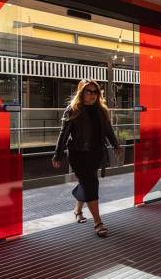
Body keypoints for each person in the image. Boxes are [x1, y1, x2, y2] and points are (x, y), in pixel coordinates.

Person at [52, 79, 122, 237]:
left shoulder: (101, 110)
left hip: (96, 154)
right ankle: (98, 222)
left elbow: (108, 130)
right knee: (92, 183)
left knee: (87, 183)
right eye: (88, 91)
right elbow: (64, 133)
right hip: (79, 153)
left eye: (95, 92)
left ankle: (77, 210)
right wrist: (58, 153)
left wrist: (116, 145)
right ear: (81, 92)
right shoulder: (73, 109)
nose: (92, 95)